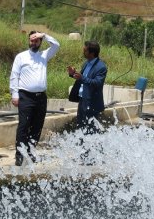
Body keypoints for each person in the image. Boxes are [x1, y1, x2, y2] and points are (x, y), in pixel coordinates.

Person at [10, 31, 60, 166]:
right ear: (28, 41)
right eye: (31, 40)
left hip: (41, 97)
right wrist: (14, 95)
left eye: (36, 40)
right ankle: (19, 154)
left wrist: (43, 35)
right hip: (25, 96)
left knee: (37, 126)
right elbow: (14, 75)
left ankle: (31, 152)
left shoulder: (44, 55)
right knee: (23, 126)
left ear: (40, 42)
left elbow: (56, 45)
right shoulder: (21, 57)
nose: (33, 43)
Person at [67, 40, 107, 134]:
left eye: (85, 51)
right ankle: (81, 147)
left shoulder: (101, 67)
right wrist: (73, 74)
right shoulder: (86, 63)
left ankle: (91, 148)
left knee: (90, 129)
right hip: (82, 100)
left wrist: (82, 77)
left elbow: (97, 83)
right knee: (80, 126)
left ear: (92, 53)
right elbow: (82, 79)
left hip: (92, 103)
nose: (83, 52)